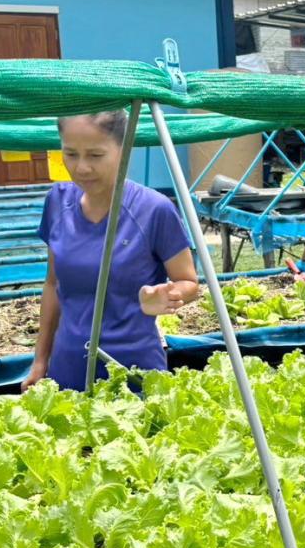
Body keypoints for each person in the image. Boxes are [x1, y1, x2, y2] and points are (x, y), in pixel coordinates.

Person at [22, 110, 199, 391]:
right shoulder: (57, 202)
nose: (81, 167)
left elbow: (189, 282)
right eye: (70, 154)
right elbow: (53, 284)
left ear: (124, 148)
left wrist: (167, 296)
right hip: (67, 368)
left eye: (95, 155)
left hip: (134, 372)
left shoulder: (154, 209)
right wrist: (40, 360)